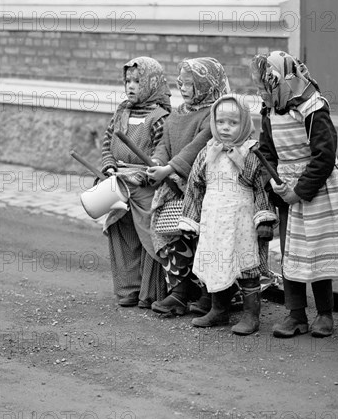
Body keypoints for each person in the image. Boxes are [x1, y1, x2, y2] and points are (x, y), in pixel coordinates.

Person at [251, 51, 338, 338]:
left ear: (282, 78)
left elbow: (324, 156)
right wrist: (274, 182)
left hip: (316, 188)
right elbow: (266, 151)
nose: (261, 91)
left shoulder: (313, 107)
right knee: (291, 252)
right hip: (286, 185)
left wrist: (299, 191)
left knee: (315, 250)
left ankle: (325, 314)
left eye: (265, 84)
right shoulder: (269, 108)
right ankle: (295, 315)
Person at [177, 94, 278, 335]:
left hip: (240, 221)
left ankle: (251, 314)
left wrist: (264, 218)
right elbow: (195, 186)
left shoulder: (251, 154)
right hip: (213, 220)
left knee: (245, 265)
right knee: (216, 262)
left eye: (232, 123)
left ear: (243, 123)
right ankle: (218, 309)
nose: (225, 128)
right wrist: (190, 218)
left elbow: (262, 188)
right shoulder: (207, 151)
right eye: (220, 122)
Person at [146, 57, 230, 317]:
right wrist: (158, 161)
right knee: (174, 236)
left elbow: (197, 147)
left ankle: (208, 295)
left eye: (190, 83)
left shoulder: (215, 113)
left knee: (202, 239)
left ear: (206, 85)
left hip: (201, 189)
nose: (182, 87)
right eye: (180, 82)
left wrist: (169, 168)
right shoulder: (178, 112)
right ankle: (179, 293)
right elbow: (165, 143)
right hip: (174, 188)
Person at [100, 56, 171, 307]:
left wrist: (144, 174)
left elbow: (163, 152)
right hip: (119, 182)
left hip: (145, 187)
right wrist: (108, 165)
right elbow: (108, 142)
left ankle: (149, 293)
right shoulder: (122, 111)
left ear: (152, 83)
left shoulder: (160, 117)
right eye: (128, 80)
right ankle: (128, 289)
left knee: (148, 238)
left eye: (138, 81)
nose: (131, 86)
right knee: (121, 234)